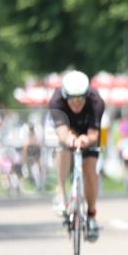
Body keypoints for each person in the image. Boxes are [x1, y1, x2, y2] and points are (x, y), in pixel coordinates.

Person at [49, 70, 105, 241]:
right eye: (72, 99)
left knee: (90, 170)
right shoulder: (56, 101)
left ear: (87, 95)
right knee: (64, 147)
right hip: (68, 131)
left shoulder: (96, 102)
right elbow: (62, 132)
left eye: (80, 98)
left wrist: (85, 139)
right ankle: (61, 192)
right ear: (65, 96)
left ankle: (92, 214)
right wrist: (70, 138)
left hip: (88, 133)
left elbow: (94, 135)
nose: (76, 103)